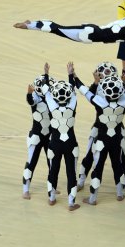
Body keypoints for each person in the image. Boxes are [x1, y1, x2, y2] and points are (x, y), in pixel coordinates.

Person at [69, 62, 125, 204]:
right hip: (117, 136)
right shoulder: (124, 100)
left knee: (98, 166)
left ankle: (93, 198)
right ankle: (120, 193)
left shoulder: (100, 101)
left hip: (101, 136)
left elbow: (84, 91)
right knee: (117, 164)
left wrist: (73, 76)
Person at [13, 9, 125, 57]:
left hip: (92, 30)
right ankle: (30, 24)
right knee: (58, 29)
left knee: (59, 29)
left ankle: (31, 23)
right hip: (88, 35)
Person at [40, 63, 80, 211]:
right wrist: (70, 74)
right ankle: (71, 203)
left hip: (54, 143)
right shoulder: (72, 105)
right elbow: (73, 90)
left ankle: (51, 198)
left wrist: (46, 74)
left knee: (53, 171)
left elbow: (45, 90)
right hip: (71, 143)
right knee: (71, 172)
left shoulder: (51, 105)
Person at [77, 62, 118, 191]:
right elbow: (90, 95)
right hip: (98, 127)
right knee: (89, 155)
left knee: (118, 159)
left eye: (107, 72)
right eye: (103, 72)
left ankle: (124, 186)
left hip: (115, 129)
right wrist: (95, 82)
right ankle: (81, 181)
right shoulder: (99, 88)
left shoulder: (118, 87)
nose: (105, 74)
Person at [22, 74, 55, 199]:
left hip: (49, 136)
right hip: (36, 136)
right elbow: (30, 101)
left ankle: (52, 187)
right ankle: (25, 190)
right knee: (31, 162)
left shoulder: (52, 100)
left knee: (51, 163)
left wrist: (46, 73)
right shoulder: (35, 98)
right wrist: (29, 93)